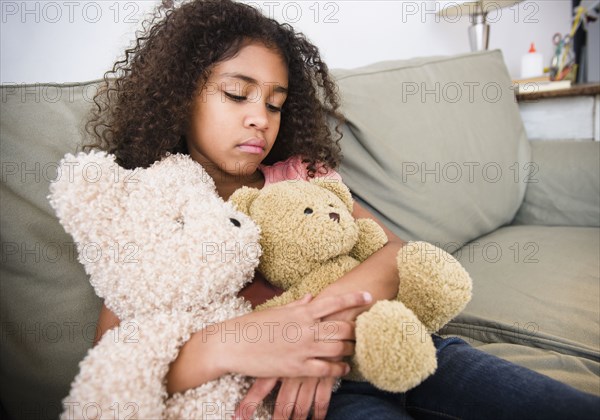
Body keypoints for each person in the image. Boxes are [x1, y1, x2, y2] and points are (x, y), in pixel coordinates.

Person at [87, 1, 600, 419]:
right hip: (315, 402)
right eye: (237, 94)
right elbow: (116, 359)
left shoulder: (301, 174)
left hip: (404, 343)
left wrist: (319, 319)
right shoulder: (152, 205)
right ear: (180, 94)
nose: (259, 119)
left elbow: (393, 253)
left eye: (274, 103)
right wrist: (228, 345)